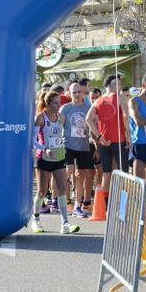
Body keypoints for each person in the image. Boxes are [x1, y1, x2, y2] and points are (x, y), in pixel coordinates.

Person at [32, 91, 80, 234]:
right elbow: (32, 140)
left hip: (59, 157)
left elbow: (61, 135)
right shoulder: (40, 118)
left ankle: (65, 223)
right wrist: (45, 149)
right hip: (44, 158)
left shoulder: (61, 117)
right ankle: (36, 220)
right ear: (47, 103)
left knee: (62, 188)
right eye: (55, 103)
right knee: (42, 191)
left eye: (59, 102)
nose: (58, 105)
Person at [86, 75, 131, 190]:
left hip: (104, 142)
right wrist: (129, 137)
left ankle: (106, 202)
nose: (120, 86)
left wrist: (99, 137)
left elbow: (88, 119)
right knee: (123, 172)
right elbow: (125, 117)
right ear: (111, 85)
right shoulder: (120, 97)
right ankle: (121, 202)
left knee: (106, 172)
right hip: (119, 140)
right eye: (118, 84)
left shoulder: (98, 100)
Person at [60, 82, 94, 218]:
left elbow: (93, 125)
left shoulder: (88, 107)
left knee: (80, 176)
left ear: (83, 92)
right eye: (74, 92)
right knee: (68, 173)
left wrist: (97, 143)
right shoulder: (65, 108)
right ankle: (62, 200)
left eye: (79, 91)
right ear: (69, 93)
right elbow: (58, 126)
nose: (77, 94)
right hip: (68, 145)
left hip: (83, 146)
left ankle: (77, 206)